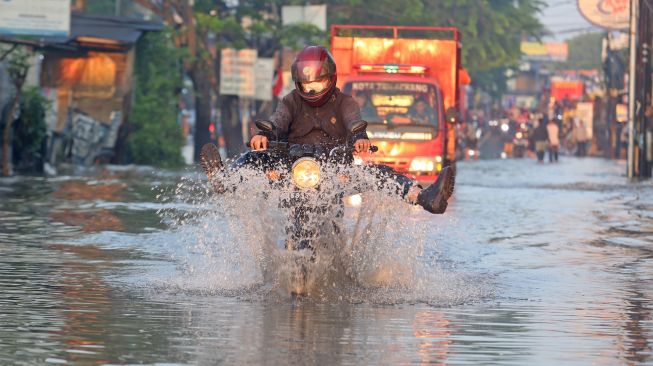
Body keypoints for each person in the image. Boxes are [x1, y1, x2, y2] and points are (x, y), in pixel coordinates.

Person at [200, 46, 454, 214]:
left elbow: (354, 122)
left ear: (331, 78)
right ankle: (225, 180)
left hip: (334, 171)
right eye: (306, 85)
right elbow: (277, 122)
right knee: (252, 159)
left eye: (318, 83)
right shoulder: (290, 101)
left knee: (380, 173)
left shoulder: (345, 102)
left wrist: (359, 139)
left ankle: (424, 197)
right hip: (293, 168)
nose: (311, 90)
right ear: (298, 83)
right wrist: (263, 137)